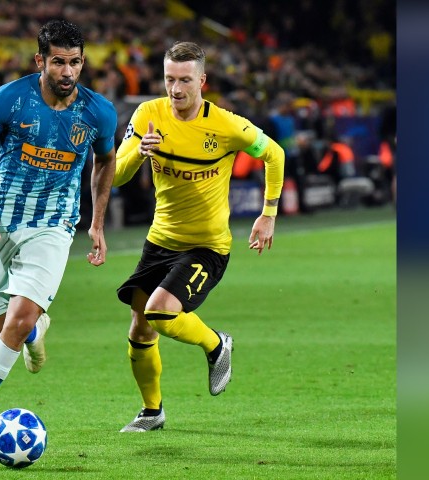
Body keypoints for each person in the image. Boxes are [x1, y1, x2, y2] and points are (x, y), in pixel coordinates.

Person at [0, 19, 117, 457]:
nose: (67, 71)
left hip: (53, 226)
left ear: (82, 62)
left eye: (74, 63)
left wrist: (97, 222)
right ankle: (34, 333)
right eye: (58, 62)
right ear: (40, 61)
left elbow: (105, 162)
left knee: (15, 321)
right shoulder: (10, 100)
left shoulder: (98, 111)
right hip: (0, 224)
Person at [112, 41, 284, 432]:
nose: (175, 89)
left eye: (185, 80)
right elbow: (117, 176)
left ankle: (215, 343)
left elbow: (274, 155)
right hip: (160, 242)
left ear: (202, 80)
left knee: (159, 313)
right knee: (139, 329)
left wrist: (268, 214)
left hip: (207, 247)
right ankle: (152, 411)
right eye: (170, 79)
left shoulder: (226, 125)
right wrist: (139, 151)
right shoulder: (147, 115)